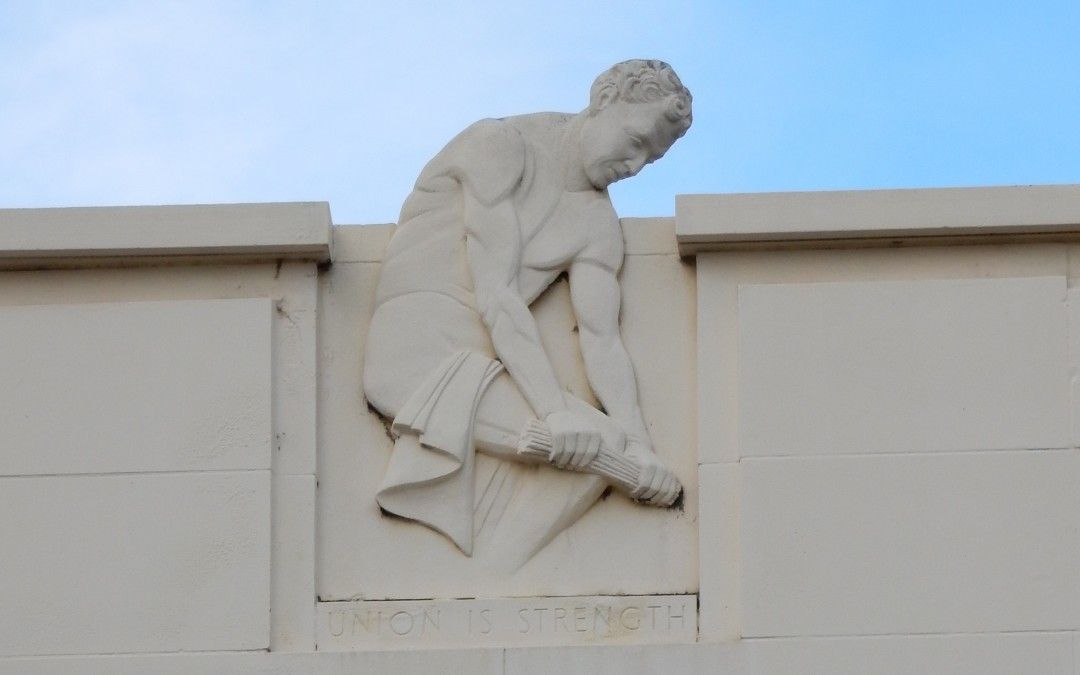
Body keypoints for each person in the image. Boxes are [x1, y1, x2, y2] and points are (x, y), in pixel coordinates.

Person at [363, 59, 692, 557]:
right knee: (594, 445)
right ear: (604, 101)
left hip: (480, 365)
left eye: (651, 158)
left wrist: (639, 441)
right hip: (416, 348)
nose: (635, 166)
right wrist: (554, 410)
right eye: (635, 141)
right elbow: (496, 295)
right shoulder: (498, 148)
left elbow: (601, 339)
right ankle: (494, 579)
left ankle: (494, 578)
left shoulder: (598, 226)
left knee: (610, 443)